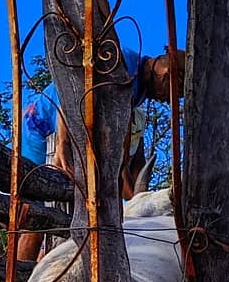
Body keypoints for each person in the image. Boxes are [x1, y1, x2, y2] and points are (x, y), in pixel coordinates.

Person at [16, 47, 185, 261]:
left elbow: (124, 164)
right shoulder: (122, 64)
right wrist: (62, 144)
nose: (168, 101)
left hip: (74, 136)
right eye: (173, 92)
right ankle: (19, 281)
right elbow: (74, 90)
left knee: (73, 211)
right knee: (38, 208)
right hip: (44, 127)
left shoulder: (137, 94)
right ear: (167, 74)